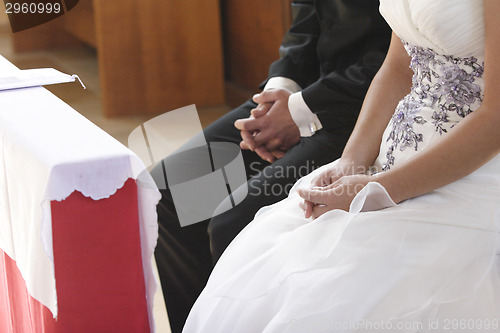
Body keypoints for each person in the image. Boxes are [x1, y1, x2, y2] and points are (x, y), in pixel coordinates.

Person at [182, 0, 500, 331]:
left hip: (471, 174)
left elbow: (496, 118)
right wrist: (352, 161)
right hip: (386, 152)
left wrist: (381, 189)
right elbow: (398, 67)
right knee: (268, 263)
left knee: (342, 303)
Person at [152, 1, 391, 332]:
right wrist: (279, 91)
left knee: (231, 221)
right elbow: (307, 19)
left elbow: (395, 61)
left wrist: (300, 111)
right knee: (166, 195)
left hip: (364, 117)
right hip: (301, 93)